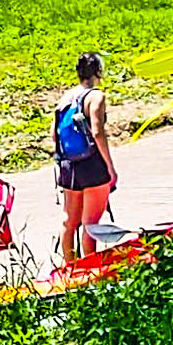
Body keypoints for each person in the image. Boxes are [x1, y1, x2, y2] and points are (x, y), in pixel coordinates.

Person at [51, 53, 118, 242]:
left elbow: (54, 133)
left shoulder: (66, 97)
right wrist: (110, 167)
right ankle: (90, 270)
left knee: (69, 222)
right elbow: (97, 132)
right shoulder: (96, 96)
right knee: (91, 224)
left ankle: (69, 268)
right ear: (99, 72)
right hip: (92, 166)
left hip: (68, 167)